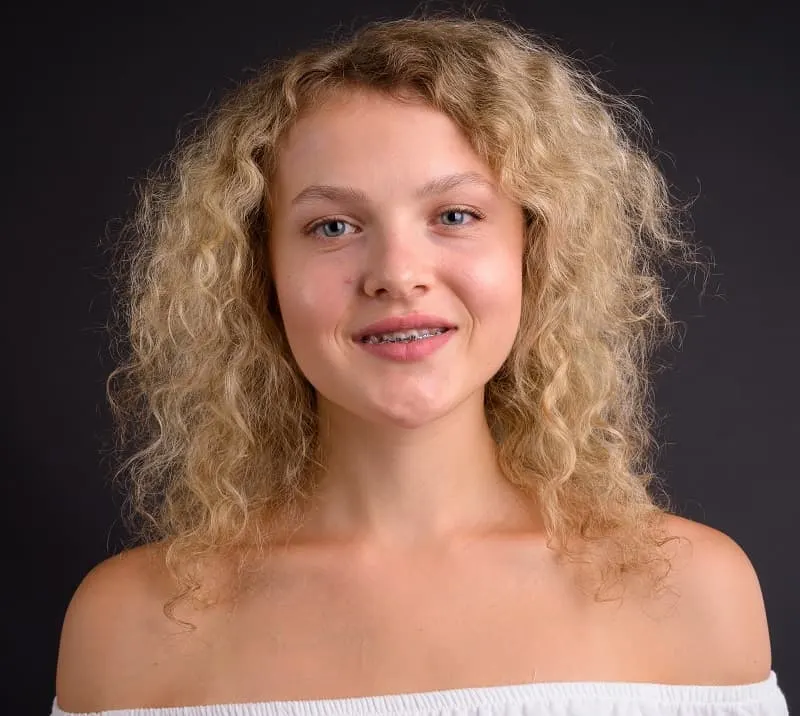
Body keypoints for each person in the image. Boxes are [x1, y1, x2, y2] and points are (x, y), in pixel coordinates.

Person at [51, 12, 789, 716]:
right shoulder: (129, 625)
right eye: (332, 226)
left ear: (536, 253)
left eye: (455, 216)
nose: (397, 274)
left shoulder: (693, 593)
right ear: (258, 276)